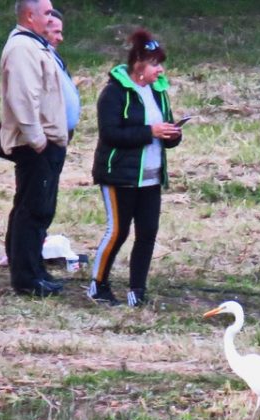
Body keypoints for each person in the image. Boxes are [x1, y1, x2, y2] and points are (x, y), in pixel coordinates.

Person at [87, 29, 183, 308]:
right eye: (155, 63)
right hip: (120, 176)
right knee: (118, 231)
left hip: (151, 177)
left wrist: (172, 135)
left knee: (148, 233)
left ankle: (137, 290)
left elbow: (163, 128)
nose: (160, 69)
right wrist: (149, 131)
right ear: (139, 62)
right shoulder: (114, 93)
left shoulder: (158, 92)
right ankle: (98, 285)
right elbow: (110, 134)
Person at [0, 0, 69, 297]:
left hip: (46, 142)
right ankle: (27, 280)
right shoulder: (22, 49)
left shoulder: (35, 46)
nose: (51, 16)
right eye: (46, 12)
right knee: (32, 210)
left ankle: (33, 269)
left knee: (37, 208)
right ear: (29, 16)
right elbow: (24, 98)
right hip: (35, 145)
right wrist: (38, 139)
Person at [46, 9, 81, 141]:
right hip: (45, 141)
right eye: (56, 32)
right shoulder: (34, 55)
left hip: (57, 138)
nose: (61, 38)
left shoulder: (51, 54)